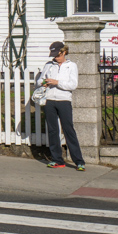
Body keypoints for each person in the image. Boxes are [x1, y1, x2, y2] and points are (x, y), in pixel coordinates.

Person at [38, 41, 85, 171]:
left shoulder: (71, 66)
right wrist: (43, 83)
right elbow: (39, 80)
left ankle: (79, 161)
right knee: (53, 131)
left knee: (69, 129)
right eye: (53, 55)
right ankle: (57, 159)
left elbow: (73, 85)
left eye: (57, 54)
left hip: (64, 100)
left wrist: (57, 82)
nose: (55, 57)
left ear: (64, 52)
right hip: (49, 100)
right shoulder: (48, 65)